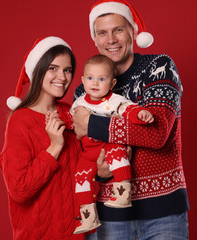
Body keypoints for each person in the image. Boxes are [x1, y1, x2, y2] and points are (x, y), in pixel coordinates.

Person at [72, 0, 190, 239]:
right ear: (94, 39)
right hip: (109, 218)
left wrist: (92, 124)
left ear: (133, 32)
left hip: (163, 213)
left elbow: (156, 133)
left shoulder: (159, 67)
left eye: (118, 30)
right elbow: (84, 152)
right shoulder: (82, 93)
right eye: (102, 33)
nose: (111, 39)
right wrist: (100, 172)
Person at [0, 36, 86, 240]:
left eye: (67, 70)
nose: (62, 77)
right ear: (38, 70)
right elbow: (19, 190)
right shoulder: (20, 121)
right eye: (53, 68)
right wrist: (54, 147)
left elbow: (85, 171)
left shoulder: (72, 112)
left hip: (82, 234)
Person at [63, 54, 153, 234]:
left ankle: (123, 192)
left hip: (107, 143)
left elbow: (127, 109)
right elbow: (71, 122)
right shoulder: (79, 102)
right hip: (89, 152)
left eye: (101, 79)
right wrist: (61, 121)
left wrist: (140, 113)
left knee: (117, 151)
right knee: (80, 176)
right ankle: (88, 216)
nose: (94, 83)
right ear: (82, 80)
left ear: (111, 84)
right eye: (90, 78)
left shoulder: (113, 100)